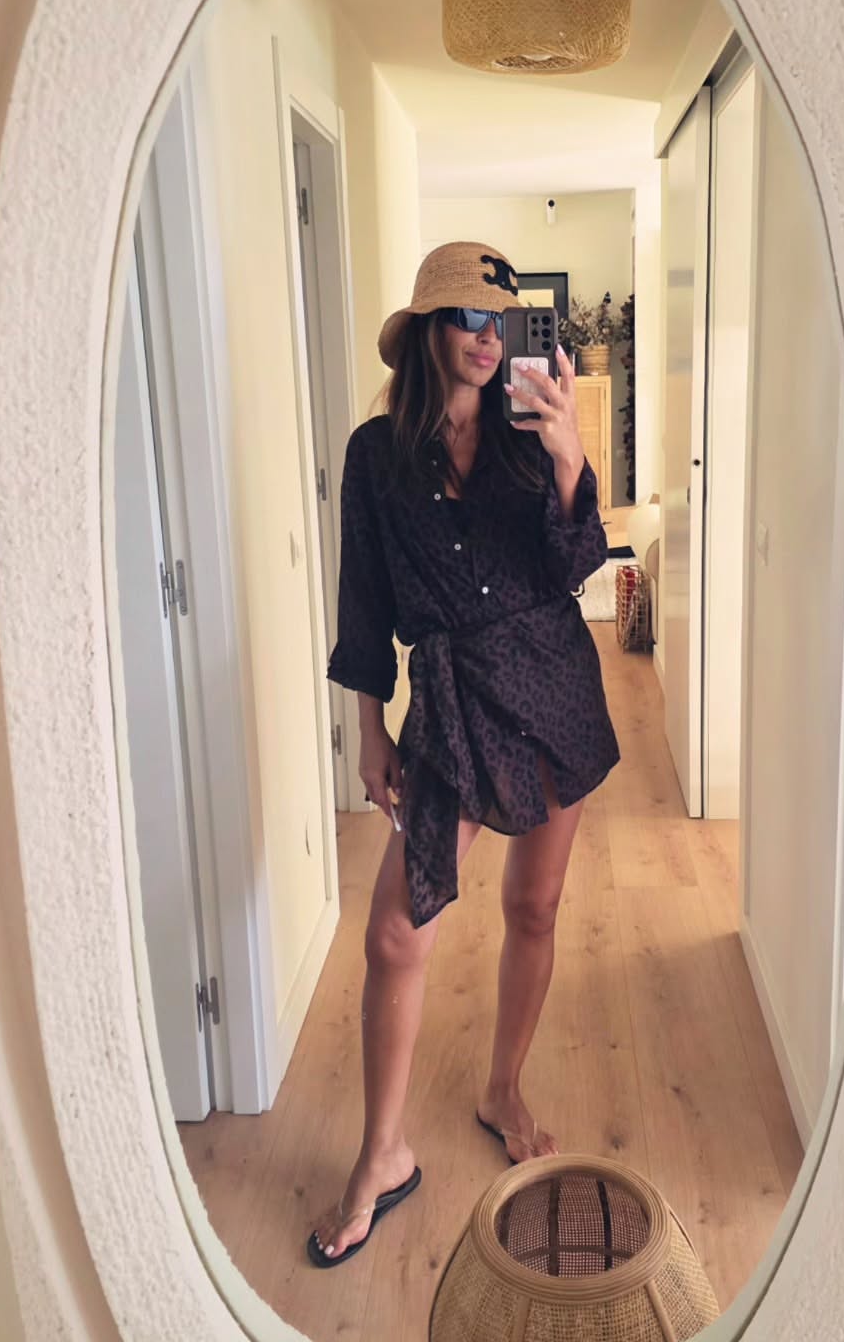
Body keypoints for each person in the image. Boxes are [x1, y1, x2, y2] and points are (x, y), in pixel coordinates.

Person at [307, 241, 621, 1267]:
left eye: (501, 321)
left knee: (535, 905)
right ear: (429, 332)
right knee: (396, 935)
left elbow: (575, 565)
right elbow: (363, 601)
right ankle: (381, 1156)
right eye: (467, 319)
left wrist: (570, 454)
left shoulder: (532, 436)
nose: (488, 339)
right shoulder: (374, 456)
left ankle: (503, 1090)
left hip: (553, 685)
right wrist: (369, 727)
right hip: (452, 702)